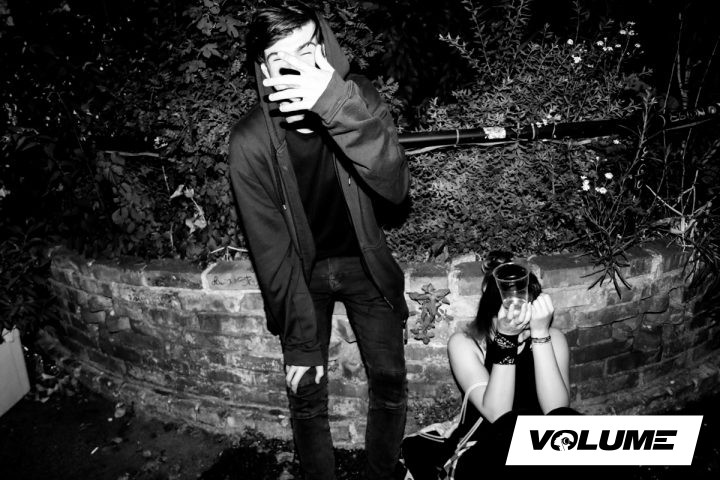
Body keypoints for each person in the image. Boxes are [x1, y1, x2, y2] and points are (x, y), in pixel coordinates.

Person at [227, 2, 410, 479]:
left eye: (308, 49)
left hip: (364, 262)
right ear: (264, 69)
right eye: (281, 58)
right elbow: (270, 251)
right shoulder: (249, 142)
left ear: (325, 50)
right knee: (306, 392)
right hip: (301, 274)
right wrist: (302, 344)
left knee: (391, 382)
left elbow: (395, 187)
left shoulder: (359, 98)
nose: (299, 66)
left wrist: (334, 105)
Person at [402, 251, 577, 478]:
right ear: (490, 311)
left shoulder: (552, 338)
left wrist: (540, 334)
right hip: (484, 450)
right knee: (512, 427)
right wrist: (506, 339)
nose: (519, 324)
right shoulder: (465, 344)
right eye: (510, 316)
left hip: (538, 448)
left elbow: (557, 411)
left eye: (527, 318)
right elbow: (499, 415)